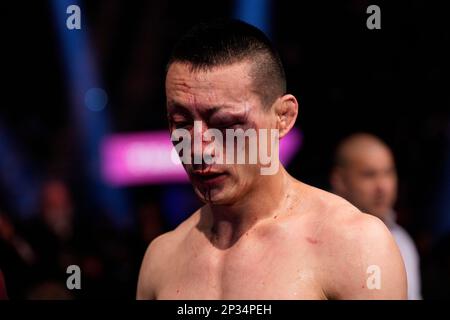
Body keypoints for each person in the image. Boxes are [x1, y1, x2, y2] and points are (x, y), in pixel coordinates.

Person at [137, 19, 406, 299]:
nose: (199, 148)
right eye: (181, 123)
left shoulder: (354, 245)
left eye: (227, 125)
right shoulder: (161, 259)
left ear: (283, 117)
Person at [330, 133, 422, 299]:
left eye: (388, 173)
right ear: (340, 180)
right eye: (369, 174)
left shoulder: (402, 241)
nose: (382, 186)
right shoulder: (322, 239)